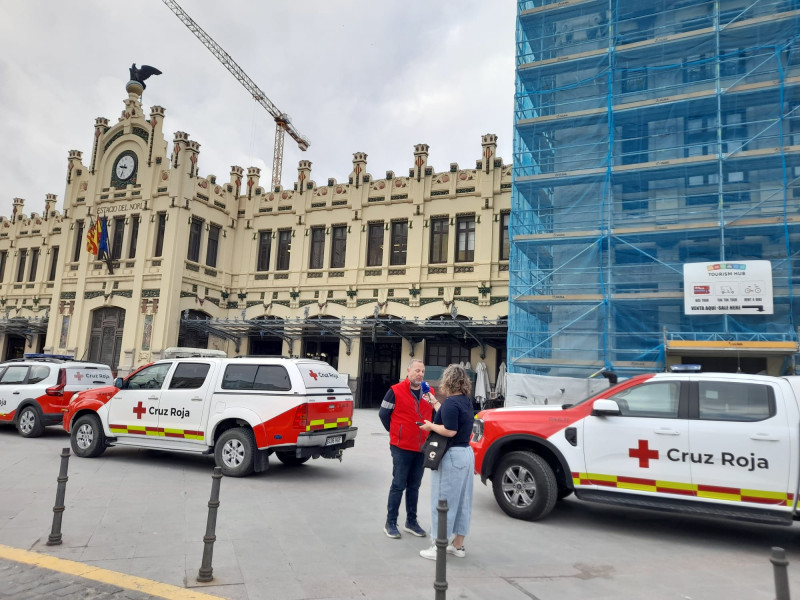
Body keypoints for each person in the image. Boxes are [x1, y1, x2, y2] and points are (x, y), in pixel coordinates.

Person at [418, 363, 474, 560]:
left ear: (448, 380)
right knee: (463, 501)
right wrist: (433, 401)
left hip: (452, 456)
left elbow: (450, 430)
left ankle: (437, 546)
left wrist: (429, 425)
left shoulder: (451, 403)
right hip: (467, 453)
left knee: (442, 500)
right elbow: (450, 416)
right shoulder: (465, 401)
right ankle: (458, 545)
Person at [379, 359, 434, 539]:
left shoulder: (429, 392)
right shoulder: (394, 391)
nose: (420, 374)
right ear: (408, 371)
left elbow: (434, 415)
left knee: (414, 486)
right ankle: (390, 523)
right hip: (401, 446)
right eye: (417, 370)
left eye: (423, 371)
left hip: (421, 447)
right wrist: (396, 431)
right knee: (398, 484)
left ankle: (411, 522)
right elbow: (383, 414)